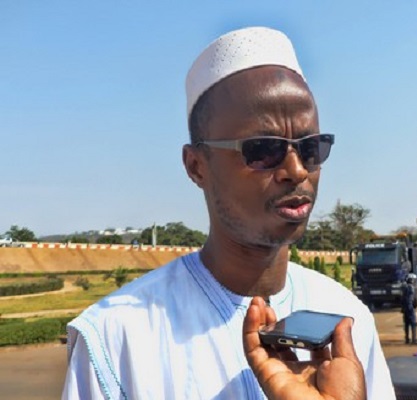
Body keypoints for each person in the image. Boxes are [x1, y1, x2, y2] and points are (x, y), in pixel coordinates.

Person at [62, 26, 395, 399]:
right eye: (263, 149)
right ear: (196, 166)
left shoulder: (346, 322)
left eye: (310, 148)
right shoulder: (117, 338)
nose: (296, 170)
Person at [401, 273, 417, 345]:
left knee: (406, 323)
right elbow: (412, 299)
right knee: (413, 323)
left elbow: (402, 298)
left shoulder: (404, 287)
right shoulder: (411, 288)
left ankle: (407, 339)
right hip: (410, 307)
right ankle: (414, 339)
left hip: (405, 308)